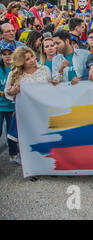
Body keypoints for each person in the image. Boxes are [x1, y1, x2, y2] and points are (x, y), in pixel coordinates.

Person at [5, 47, 55, 181]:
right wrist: (14, 90)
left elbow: (50, 88)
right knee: (28, 141)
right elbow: (7, 92)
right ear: (21, 62)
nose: (32, 60)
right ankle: (33, 169)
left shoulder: (44, 70)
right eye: (27, 59)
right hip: (26, 113)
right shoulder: (15, 75)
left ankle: (49, 166)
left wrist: (54, 84)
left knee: (45, 139)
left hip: (43, 112)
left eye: (32, 57)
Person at [0, 43, 17, 163]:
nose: (7, 56)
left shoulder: (17, 69)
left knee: (12, 133)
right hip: (0, 106)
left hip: (12, 106)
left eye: (9, 53)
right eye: (4, 54)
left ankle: (13, 155)